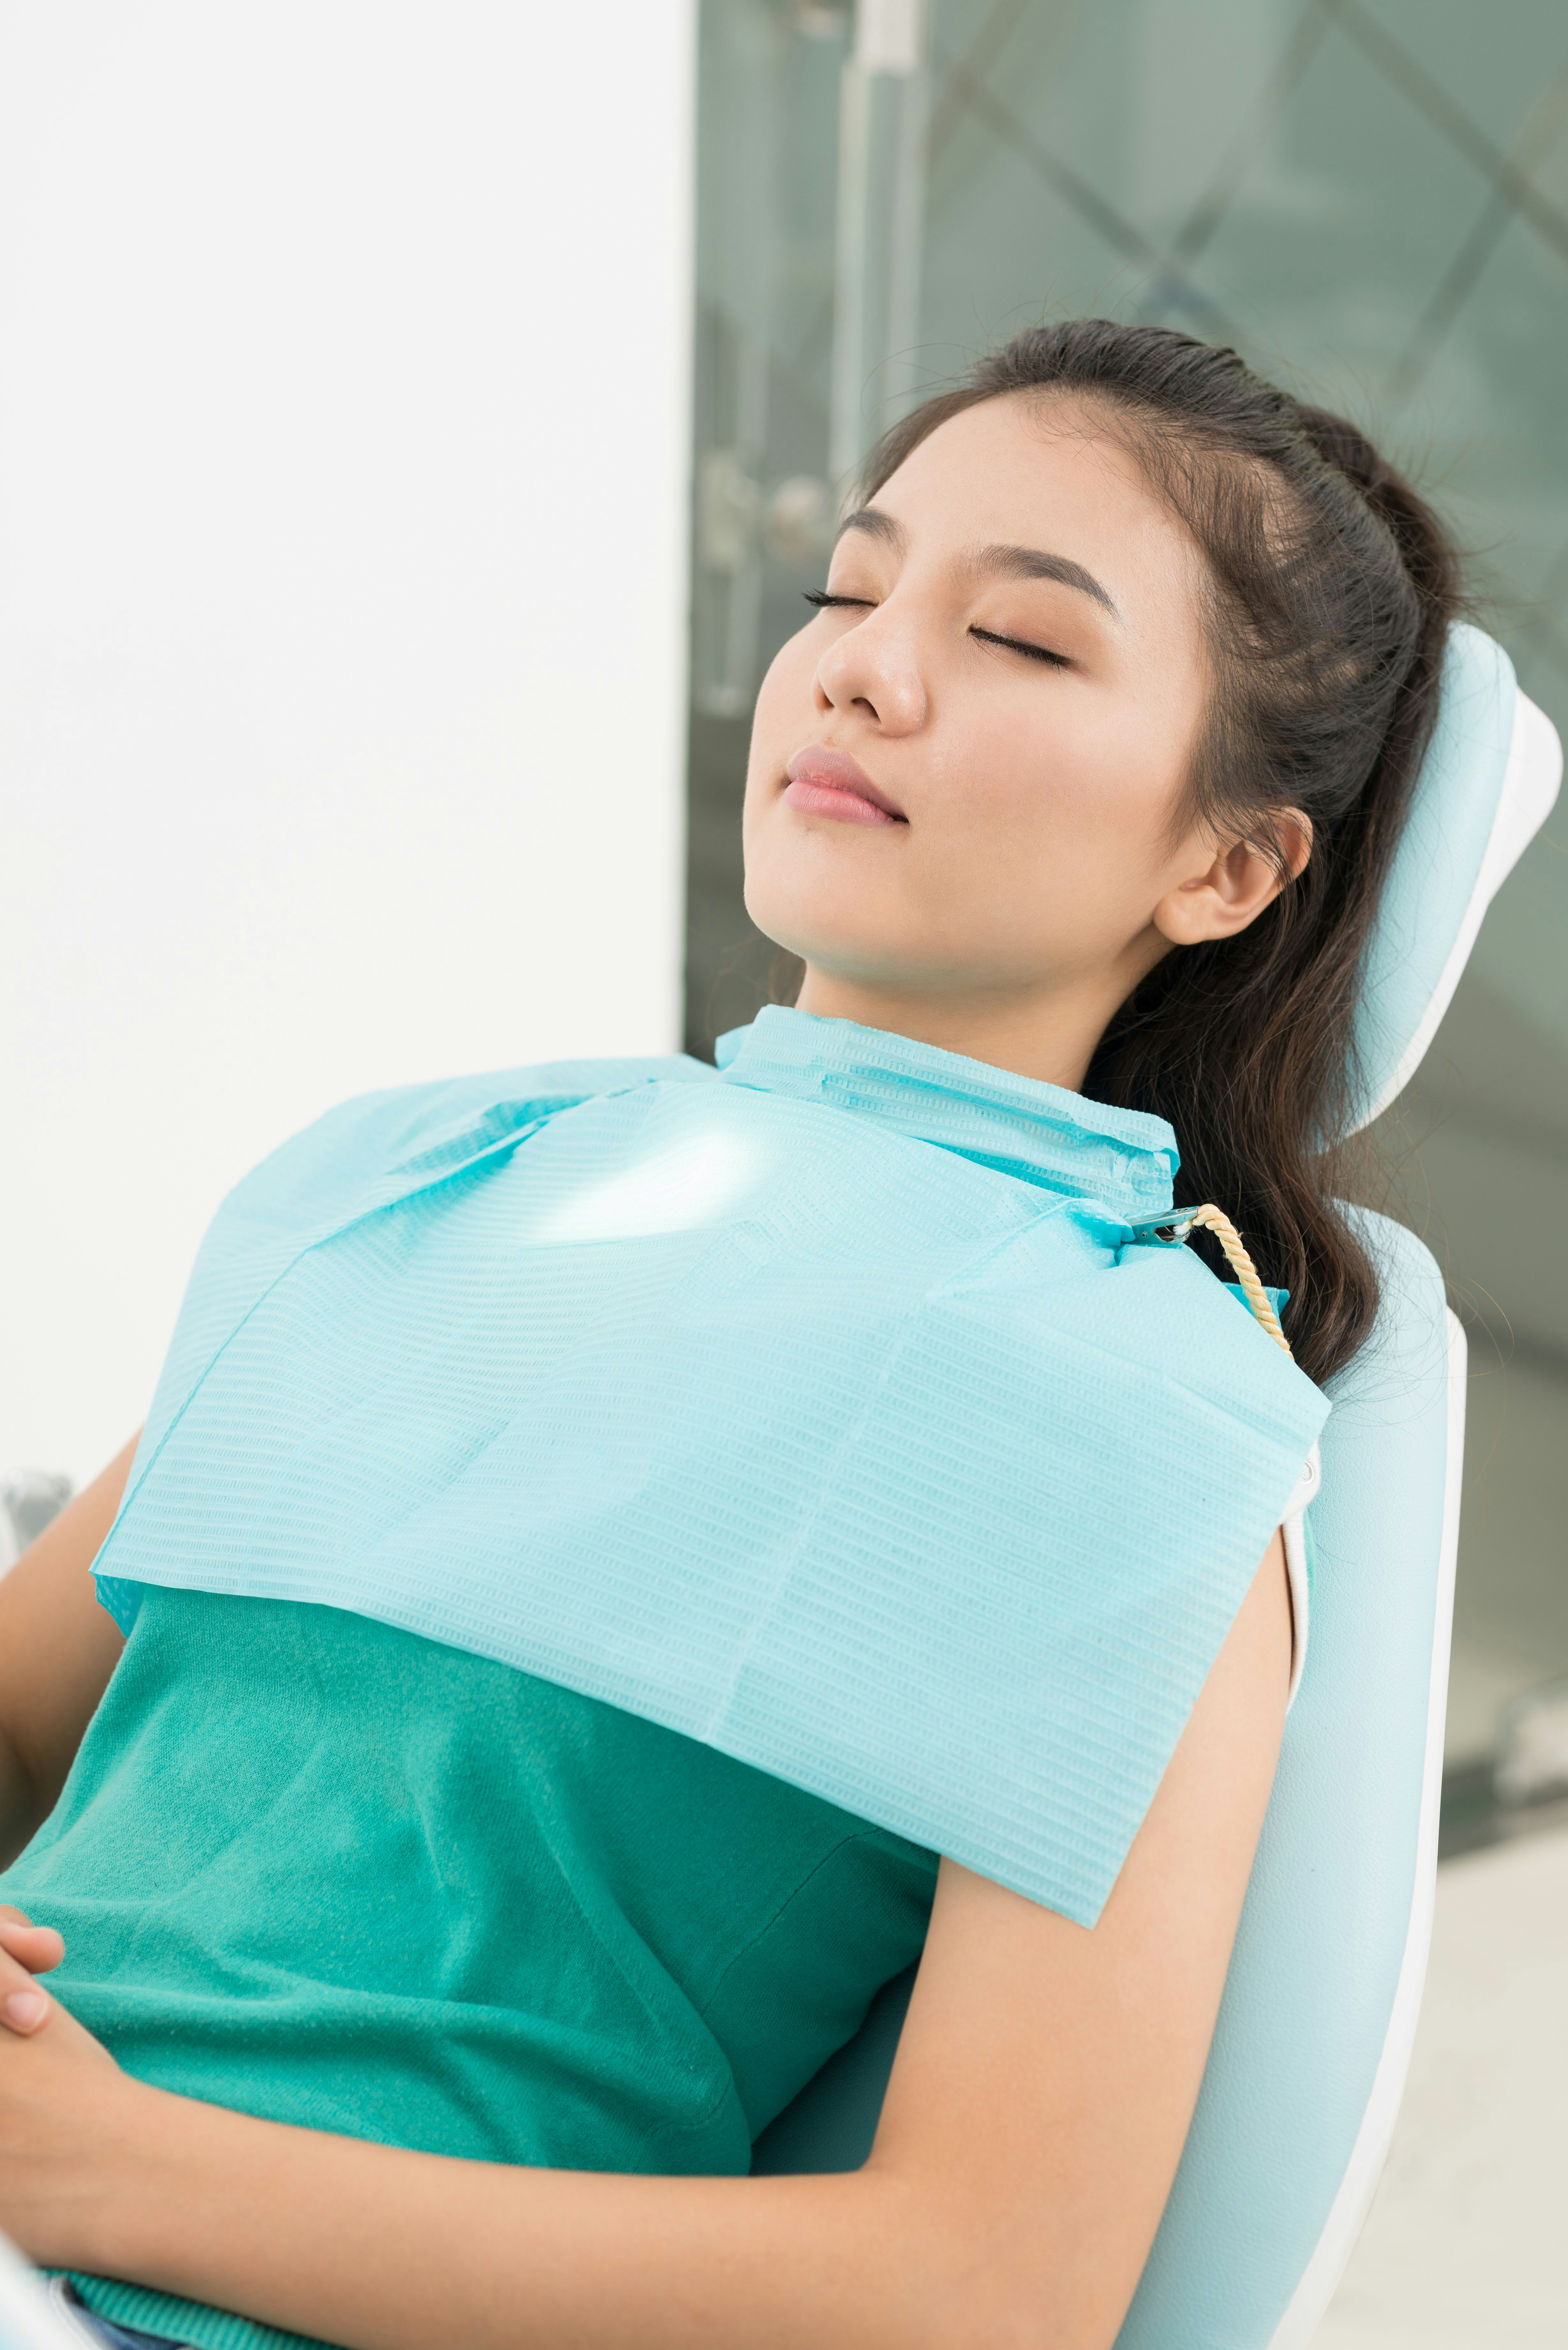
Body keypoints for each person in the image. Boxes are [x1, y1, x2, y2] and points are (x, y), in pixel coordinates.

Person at [0, 320, 1458, 2350]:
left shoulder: (1132, 1417)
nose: (862, 663)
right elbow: (27, 1707)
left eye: (1026, 641)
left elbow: (984, 2289)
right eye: (845, 594)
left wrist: (105, 2168)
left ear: (1226, 863)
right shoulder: (454, 1170)